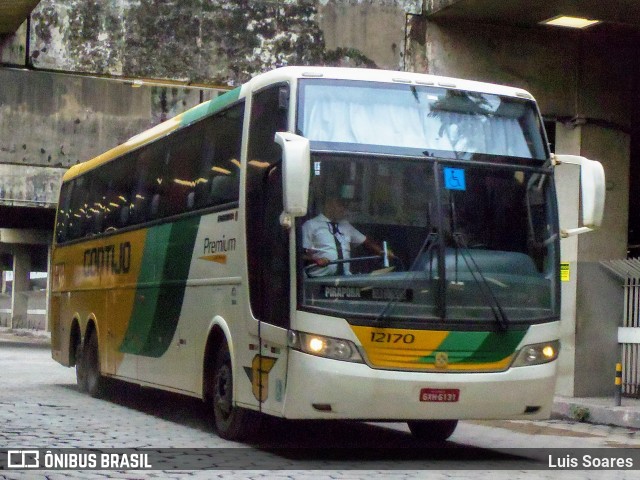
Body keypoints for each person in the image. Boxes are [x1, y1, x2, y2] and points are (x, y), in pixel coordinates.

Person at [302, 196, 391, 276]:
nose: (343, 210)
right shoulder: (310, 225)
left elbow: (365, 241)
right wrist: (316, 260)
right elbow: (300, 255)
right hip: (318, 280)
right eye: (340, 206)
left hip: (344, 279)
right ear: (329, 205)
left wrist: (381, 251)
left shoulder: (346, 225)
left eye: (345, 207)